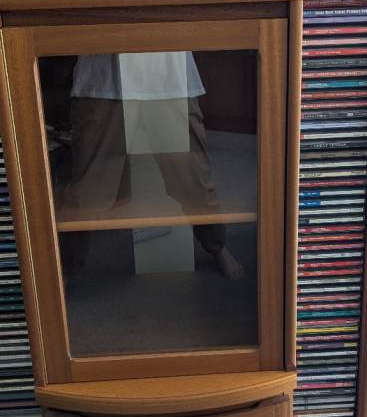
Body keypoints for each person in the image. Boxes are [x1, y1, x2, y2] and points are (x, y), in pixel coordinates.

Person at [65, 50, 244, 280]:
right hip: (104, 77)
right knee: (88, 189)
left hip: (169, 75)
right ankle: (64, 265)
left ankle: (216, 245)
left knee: (194, 178)